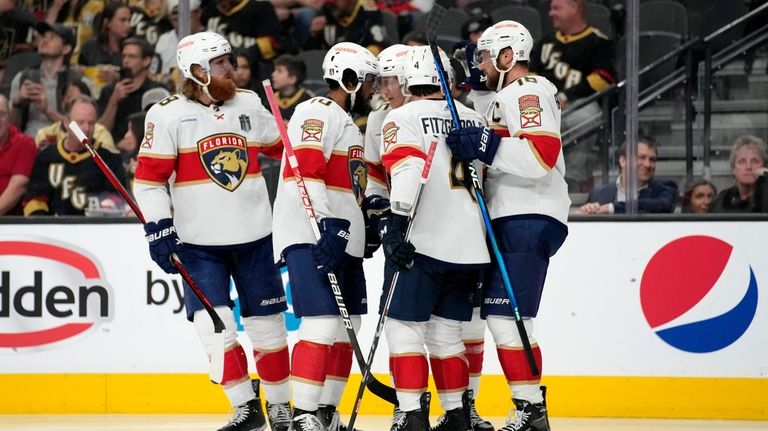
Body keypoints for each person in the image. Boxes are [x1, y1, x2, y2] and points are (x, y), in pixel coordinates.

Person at [132, 32, 291, 431]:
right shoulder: (166, 114)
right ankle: (244, 406)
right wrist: (158, 227)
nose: (231, 68)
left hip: (256, 236)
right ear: (198, 71)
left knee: (268, 328)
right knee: (212, 327)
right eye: (221, 63)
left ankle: (280, 407)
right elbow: (149, 180)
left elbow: (283, 148)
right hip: (199, 244)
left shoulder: (250, 103)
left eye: (230, 60)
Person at [446, 20, 570, 431]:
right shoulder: (506, 94)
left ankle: (531, 408)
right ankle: (529, 406)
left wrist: (484, 144)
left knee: (506, 318)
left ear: (507, 56)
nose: (479, 63)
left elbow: (541, 155)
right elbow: (493, 127)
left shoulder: (527, 89)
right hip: (515, 214)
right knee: (500, 317)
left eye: (485, 56)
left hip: (528, 213)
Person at [378, 45, 490, 431]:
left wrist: (395, 225)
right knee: (447, 333)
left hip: (421, 240)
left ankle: (411, 415)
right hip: (469, 244)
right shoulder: (473, 118)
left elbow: (408, 169)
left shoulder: (401, 117)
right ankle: (457, 414)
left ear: (409, 79)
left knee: (403, 328)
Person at [271, 41, 378, 431]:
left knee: (353, 325)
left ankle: (326, 412)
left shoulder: (350, 124)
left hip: (340, 236)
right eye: (367, 80)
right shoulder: (316, 110)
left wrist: (365, 223)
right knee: (321, 322)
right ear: (348, 80)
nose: (372, 88)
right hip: (311, 233)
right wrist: (325, 224)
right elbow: (305, 172)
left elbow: (349, 186)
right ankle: (303, 415)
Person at [529, 0, 617, 192]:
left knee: (585, 118)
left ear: (574, 7)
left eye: (556, 8)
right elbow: (531, 74)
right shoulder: (546, 42)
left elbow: (605, 77)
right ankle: (539, 175)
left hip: (580, 104)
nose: (551, 13)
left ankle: (572, 179)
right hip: (546, 105)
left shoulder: (598, 41)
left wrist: (567, 96)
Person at [23, 95, 125, 216]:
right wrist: (44, 224)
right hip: (53, 229)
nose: (86, 128)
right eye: (80, 123)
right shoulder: (46, 157)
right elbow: (34, 200)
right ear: (66, 122)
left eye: (91, 123)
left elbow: (117, 202)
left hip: (95, 229)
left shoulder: (109, 159)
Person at [9, 22, 83, 138]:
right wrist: (17, 103)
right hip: (29, 144)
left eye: (52, 38)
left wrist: (47, 110)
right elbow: (11, 130)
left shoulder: (77, 83)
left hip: (63, 148)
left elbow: (81, 133)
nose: (44, 41)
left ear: (66, 49)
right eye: (43, 37)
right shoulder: (23, 77)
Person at [578, 137, 678, 214]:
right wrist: (589, 210)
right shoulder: (598, 193)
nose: (648, 164)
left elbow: (662, 205)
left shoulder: (666, 188)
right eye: (642, 158)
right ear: (623, 161)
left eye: (652, 160)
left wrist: (611, 208)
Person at [97, 37, 167, 141]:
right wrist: (113, 101)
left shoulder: (156, 92)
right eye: (124, 56)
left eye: (132, 57)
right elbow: (99, 133)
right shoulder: (109, 91)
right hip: (111, 151)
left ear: (146, 61)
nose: (126, 61)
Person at [305, 0, 389, 54]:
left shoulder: (368, 12)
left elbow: (379, 47)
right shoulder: (328, 12)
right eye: (329, 3)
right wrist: (313, 34)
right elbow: (311, 54)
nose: (332, 5)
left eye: (335, 1)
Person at [711, 135, 768, 213]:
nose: (748, 167)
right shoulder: (721, 201)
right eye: (742, 161)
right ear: (733, 169)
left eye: (755, 161)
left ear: (764, 167)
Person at [0, 94, 36, 216]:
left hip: (10, 222)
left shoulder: (25, 143)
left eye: (1, 114)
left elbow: (18, 186)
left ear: (9, 117)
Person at [155, 0, 204, 77]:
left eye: (185, 15)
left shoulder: (213, 38)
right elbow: (156, 74)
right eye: (175, 16)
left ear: (198, 13)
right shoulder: (164, 40)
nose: (180, 20)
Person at [271, 54, 314, 122]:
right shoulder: (271, 99)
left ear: (292, 79)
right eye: (274, 70)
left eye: (279, 71)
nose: (273, 74)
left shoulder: (307, 99)